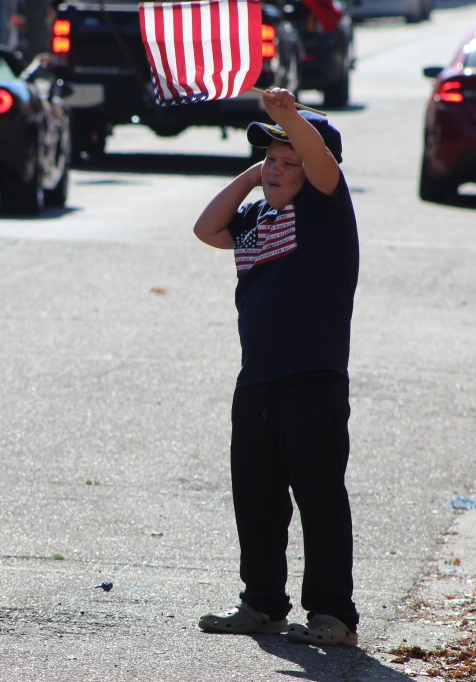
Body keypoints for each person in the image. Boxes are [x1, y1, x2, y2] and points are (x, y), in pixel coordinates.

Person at [193, 88, 360, 645]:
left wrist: (289, 122)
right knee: (258, 501)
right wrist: (250, 176)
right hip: (259, 380)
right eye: (271, 160)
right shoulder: (255, 216)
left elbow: (320, 165)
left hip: (312, 379)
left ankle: (332, 614)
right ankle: (262, 604)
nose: (278, 171)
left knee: (319, 500)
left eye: (290, 163)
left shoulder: (324, 208)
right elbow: (205, 229)